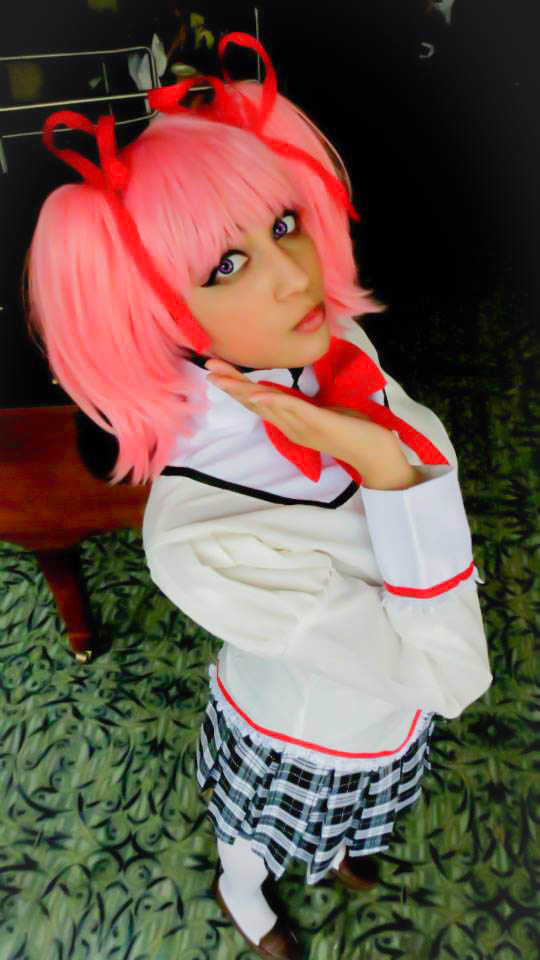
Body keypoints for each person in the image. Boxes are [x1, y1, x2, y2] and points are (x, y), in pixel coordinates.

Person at [26, 33, 492, 960]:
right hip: (301, 730)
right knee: (255, 836)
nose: (295, 274)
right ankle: (244, 899)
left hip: (389, 716)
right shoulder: (196, 539)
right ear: (154, 317)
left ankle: (346, 849)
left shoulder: (327, 344)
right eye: (225, 266)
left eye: (282, 224)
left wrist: (375, 449)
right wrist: (387, 467)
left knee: (364, 812)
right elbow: (451, 675)